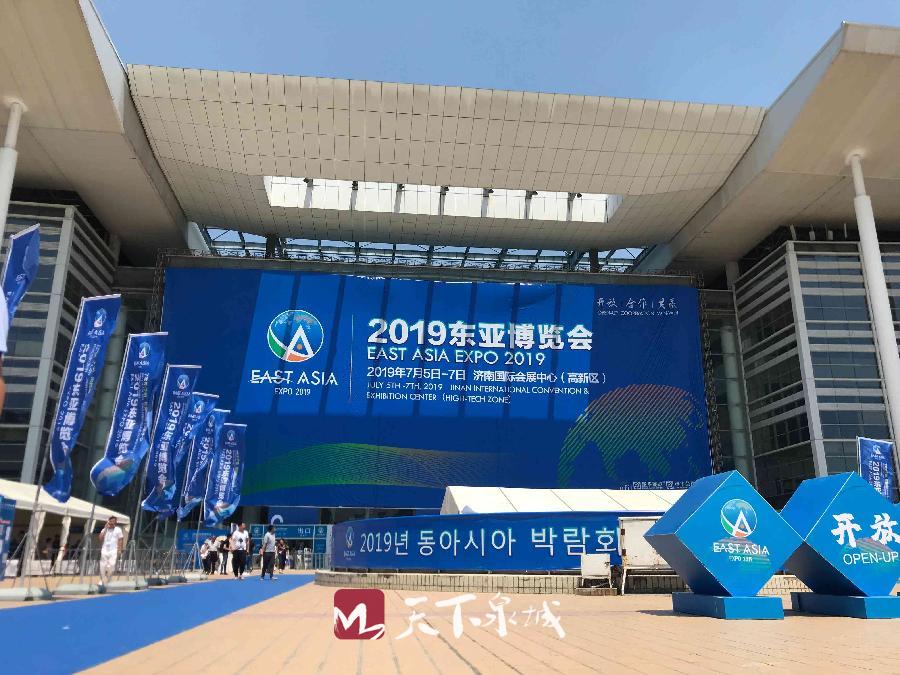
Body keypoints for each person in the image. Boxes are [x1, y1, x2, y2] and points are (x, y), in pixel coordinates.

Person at [98, 516, 124, 588]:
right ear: (108, 521)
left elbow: (121, 539)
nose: (112, 522)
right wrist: (105, 528)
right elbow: (100, 538)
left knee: (112, 565)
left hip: (113, 550)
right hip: (104, 550)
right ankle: (102, 580)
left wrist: (120, 549)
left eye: (113, 521)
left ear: (115, 522)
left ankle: (108, 577)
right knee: (102, 566)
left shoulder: (118, 530)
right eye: (111, 521)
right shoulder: (104, 529)